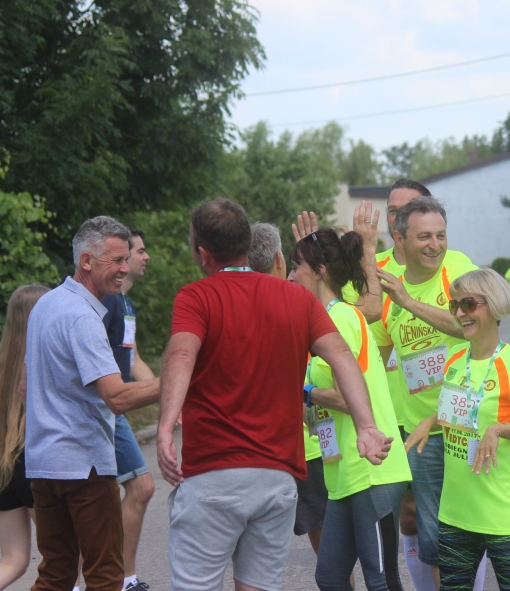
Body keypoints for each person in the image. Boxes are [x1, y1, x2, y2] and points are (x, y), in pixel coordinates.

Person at [156, 198, 392, 591]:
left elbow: (181, 353)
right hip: (277, 478)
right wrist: (366, 425)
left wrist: (166, 426)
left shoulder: (196, 297)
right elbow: (342, 357)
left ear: (202, 253)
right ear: (247, 244)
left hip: (213, 474)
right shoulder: (297, 298)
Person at [25, 216, 161, 591]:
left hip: (44, 465)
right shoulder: (82, 316)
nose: (123, 268)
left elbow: (27, 386)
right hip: (84, 466)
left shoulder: (46, 305)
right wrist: (180, 381)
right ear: (86, 261)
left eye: (125, 259)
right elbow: (116, 396)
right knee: (105, 575)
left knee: (56, 573)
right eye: (115, 260)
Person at [406, 269, 510, 591]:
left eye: (469, 304)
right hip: (455, 513)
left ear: (495, 305)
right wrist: (431, 420)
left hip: (504, 516)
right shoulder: (455, 360)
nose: (460, 313)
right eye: (455, 305)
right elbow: (459, 413)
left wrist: (498, 429)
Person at [289, 227, 411, 591]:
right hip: (343, 472)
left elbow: (349, 398)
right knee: (329, 576)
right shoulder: (324, 319)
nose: (292, 275)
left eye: (296, 267)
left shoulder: (341, 317)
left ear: (320, 270)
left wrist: (306, 391)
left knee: (380, 580)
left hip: (374, 468)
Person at [370, 196, 480, 589]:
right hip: (418, 433)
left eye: (440, 235)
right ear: (400, 239)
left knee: (472, 525)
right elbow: (375, 363)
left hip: (466, 422)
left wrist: (409, 302)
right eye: (424, 237)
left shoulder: (459, 272)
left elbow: (470, 325)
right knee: (432, 534)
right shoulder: (389, 291)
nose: (435, 244)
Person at [248, 222, 330, 560]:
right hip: (309, 443)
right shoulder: (299, 301)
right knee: (328, 538)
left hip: (261, 445)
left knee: (260, 541)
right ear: (280, 261)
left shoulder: (236, 305)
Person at [0, 284, 49, 591]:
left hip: (1, 464)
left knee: (12, 560)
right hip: (36, 464)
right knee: (66, 558)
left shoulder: (0, 363)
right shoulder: (40, 361)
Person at [101, 229, 156, 591]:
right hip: (105, 407)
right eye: (139, 251)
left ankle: (116, 577)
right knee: (140, 487)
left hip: (115, 410)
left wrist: (168, 396)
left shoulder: (126, 305)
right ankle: (118, 579)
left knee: (130, 489)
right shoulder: (106, 302)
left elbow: (132, 358)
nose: (145, 257)